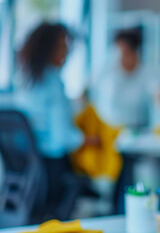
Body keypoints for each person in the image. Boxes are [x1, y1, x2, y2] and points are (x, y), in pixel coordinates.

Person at [14, 22, 98, 220]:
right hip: (51, 171)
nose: (67, 51)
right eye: (63, 45)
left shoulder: (27, 80)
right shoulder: (53, 82)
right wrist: (88, 140)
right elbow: (62, 139)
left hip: (27, 175)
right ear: (48, 48)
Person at [93, 28, 160, 129]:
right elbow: (85, 90)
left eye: (123, 52)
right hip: (106, 130)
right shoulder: (107, 69)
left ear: (134, 52)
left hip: (135, 129)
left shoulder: (146, 72)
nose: (119, 56)